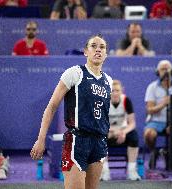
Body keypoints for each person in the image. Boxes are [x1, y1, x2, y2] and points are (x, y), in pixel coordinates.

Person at [31, 34, 113, 189]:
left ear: (106, 54)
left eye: (102, 47)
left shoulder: (108, 80)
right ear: (85, 52)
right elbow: (52, 107)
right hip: (77, 140)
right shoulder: (75, 73)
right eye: (93, 46)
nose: (98, 50)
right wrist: (41, 139)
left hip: (99, 141)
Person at [144, 60, 172, 169]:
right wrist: (163, 104)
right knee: (149, 134)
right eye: (163, 69)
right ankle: (154, 152)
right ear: (158, 72)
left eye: (168, 69)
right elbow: (150, 110)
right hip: (155, 121)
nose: (166, 71)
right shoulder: (152, 87)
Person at [101, 80, 141, 181]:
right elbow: (99, 123)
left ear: (122, 91)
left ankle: (132, 171)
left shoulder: (126, 100)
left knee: (134, 137)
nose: (115, 93)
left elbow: (132, 123)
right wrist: (113, 131)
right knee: (99, 137)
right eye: (112, 90)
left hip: (122, 131)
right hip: (108, 131)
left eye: (117, 90)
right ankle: (104, 172)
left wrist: (123, 132)